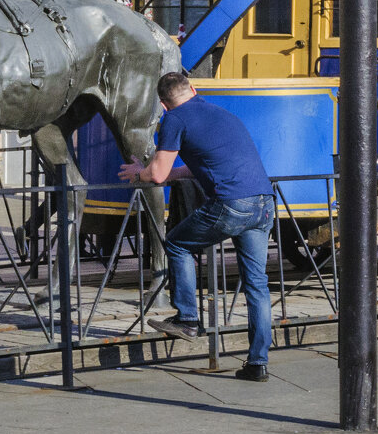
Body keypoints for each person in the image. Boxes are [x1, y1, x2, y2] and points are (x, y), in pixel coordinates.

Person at [118, 72, 275, 382]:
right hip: (264, 202)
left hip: (232, 203)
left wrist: (139, 174)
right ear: (193, 89)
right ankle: (257, 364)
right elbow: (199, 165)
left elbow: (158, 175)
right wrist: (162, 173)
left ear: (163, 105)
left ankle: (188, 318)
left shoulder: (174, 119)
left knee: (176, 243)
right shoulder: (220, 113)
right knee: (257, 284)